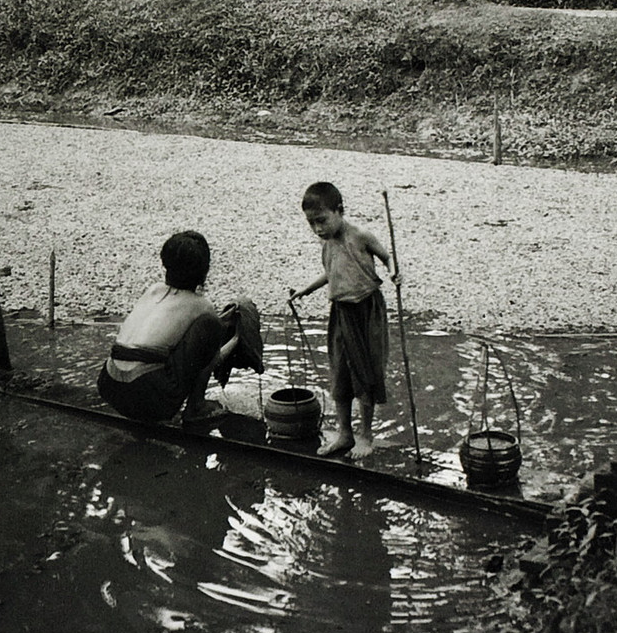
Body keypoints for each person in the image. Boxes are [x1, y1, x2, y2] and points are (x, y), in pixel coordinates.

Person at [97, 231, 264, 425]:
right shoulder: (203, 307)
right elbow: (212, 357)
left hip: (109, 385)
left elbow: (170, 333)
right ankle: (196, 407)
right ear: (204, 271)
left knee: (205, 326)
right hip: (145, 395)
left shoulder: (153, 290)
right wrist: (236, 338)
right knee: (210, 325)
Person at [290, 182, 396, 460]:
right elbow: (332, 272)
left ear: (339, 211)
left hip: (366, 311)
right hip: (340, 313)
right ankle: (345, 433)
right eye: (311, 224)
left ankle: (366, 436)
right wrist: (306, 289)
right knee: (340, 374)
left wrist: (395, 273)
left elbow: (387, 257)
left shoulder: (360, 236)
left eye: (322, 221)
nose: (318, 229)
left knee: (366, 374)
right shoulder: (327, 242)